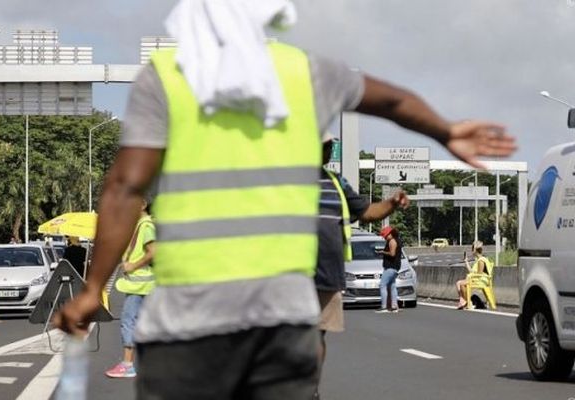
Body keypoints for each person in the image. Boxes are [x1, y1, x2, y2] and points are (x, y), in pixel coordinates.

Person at [54, 1, 517, 398]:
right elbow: (392, 101)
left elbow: (125, 188)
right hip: (283, 322)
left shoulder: (168, 76)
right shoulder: (307, 73)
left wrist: (94, 288)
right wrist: (446, 130)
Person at [314, 135, 409, 397]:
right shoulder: (282, 180)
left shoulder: (336, 183)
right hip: (289, 277)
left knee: (316, 338)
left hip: (326, 278)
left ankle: (311, 389)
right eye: (322, 145)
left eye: (329, 146)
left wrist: (391, 203)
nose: (327, 151)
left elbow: (367, 211)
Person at [105, 199, 155, 378]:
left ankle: (127, 365)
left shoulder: (146, 226)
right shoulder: (139, 226)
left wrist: (133, 266)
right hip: (140, 284)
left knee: (128, 322)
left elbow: (153, 252)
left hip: (140, 284)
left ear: (143, 204)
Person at [456, 240, 492, 310]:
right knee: (459, 283)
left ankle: (469, 302)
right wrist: (466, 262)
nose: (471, 251)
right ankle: (464, 301)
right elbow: (472, 271)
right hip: (477, 279)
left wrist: (470, 277)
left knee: (462, 284)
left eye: (472, 249)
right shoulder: (478, 260)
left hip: (481, 280)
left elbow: (479, 274)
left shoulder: (481, 260)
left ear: (475, 250)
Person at [378, 226, 403, 312]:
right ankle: (394, 306)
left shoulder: (392, 241)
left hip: (390, 267)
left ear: (390, 234)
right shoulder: (396, 240)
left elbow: (392, 254)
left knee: (382, 285)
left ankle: (384, 306)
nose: (384, 238)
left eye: (385, 236)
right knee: (392, 286)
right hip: (395, 267)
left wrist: (382, 252)